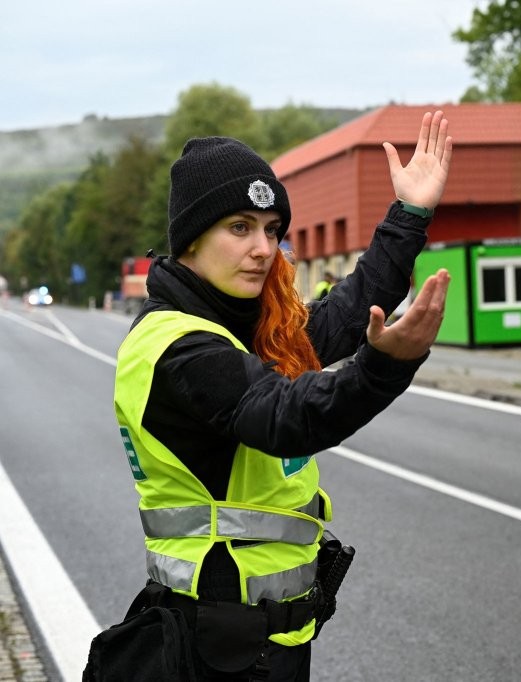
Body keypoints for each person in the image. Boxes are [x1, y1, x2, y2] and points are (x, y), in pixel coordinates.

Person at [101, 111, 453, 681]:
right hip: (215, 645)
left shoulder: (245, 329)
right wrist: (383, 367)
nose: (263, 248)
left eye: (272, 230)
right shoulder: (176, 344)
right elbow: (288, 417)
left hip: (262, 637)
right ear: (191, 239)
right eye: (240, 227)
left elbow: (348, 311)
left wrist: (409, 214)